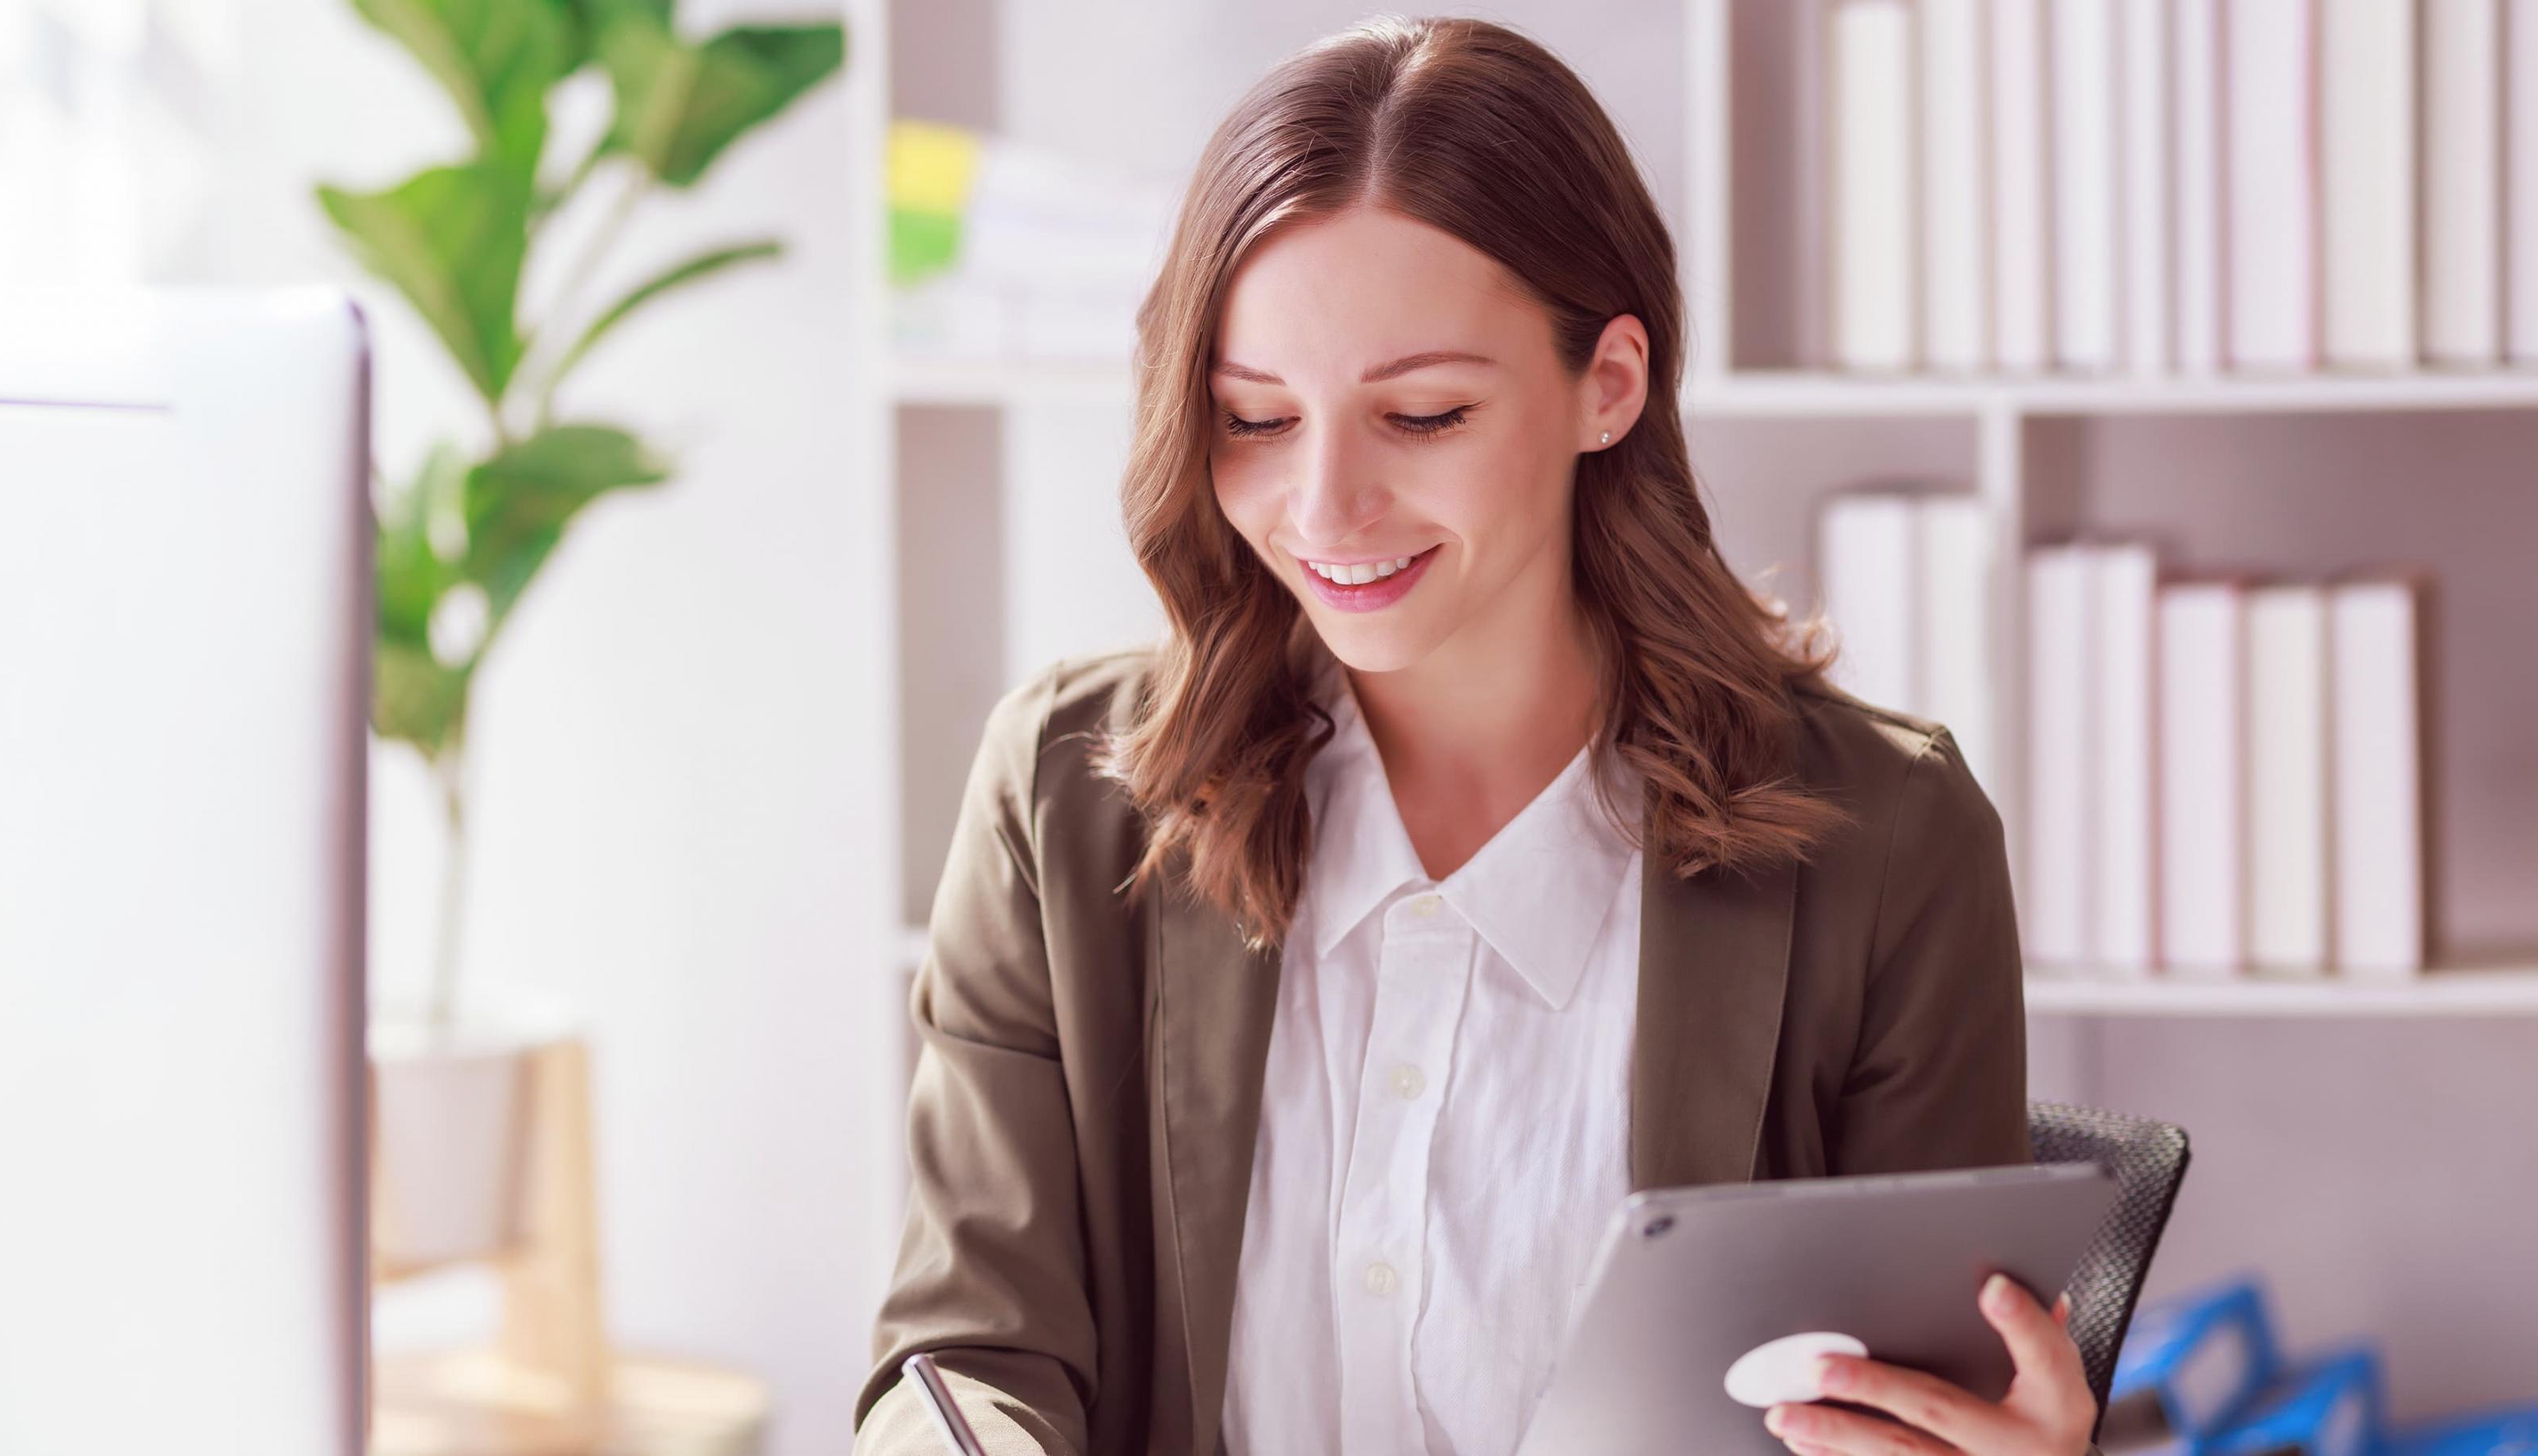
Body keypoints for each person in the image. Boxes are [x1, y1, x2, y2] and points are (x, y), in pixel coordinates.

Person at [855, 15, 2098, 1456]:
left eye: (1424, 414)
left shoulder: (1887, 838)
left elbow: (1925, 1400)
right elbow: (966, 1348)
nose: (1324, 510)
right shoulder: (1061, 800)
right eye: (1254, 419)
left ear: (1608, 384)